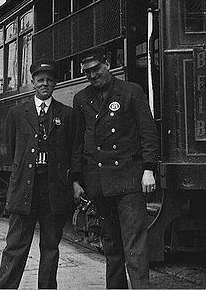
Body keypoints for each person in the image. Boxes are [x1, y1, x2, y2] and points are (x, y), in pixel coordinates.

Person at [70, 46, 158, 289]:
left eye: (96, 69)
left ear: (107, 64)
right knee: (111, 246)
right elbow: (78, 141)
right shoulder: (81, 99)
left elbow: (148, 133)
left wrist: (148, 168)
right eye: (87, 72)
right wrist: (76, 179)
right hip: (99, 182)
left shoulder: (130, 92)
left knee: (135, 247)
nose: (92, 75)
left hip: (129, 179)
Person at [0, 60, 76, 289]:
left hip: (53, 192)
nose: (45, 84)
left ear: (55, 84)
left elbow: (71, 152)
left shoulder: (66, 114)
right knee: (15, 247)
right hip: (24, 190)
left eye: (49, 80)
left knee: (50, 249)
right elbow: (12, 151)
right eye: (40, 80)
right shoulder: (17, 113)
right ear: (32, 83)